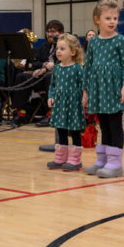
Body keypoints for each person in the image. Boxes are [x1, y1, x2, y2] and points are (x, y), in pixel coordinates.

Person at [83, 0, 124, 178]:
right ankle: (103, 160)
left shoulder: (120, 40)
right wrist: (85, 90)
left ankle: (115, 164)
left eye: (115, 18)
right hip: (98, 90)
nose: (112, 21)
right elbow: (87, 67)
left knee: (114, 124)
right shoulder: (93, 42)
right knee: (103, 124)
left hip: (114, 89)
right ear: (97, 20)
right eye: (108, 18)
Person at [11, 20, 63, 126]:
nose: (49, 34)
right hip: (41, 77)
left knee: (50, 76)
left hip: (58, 78)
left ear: (61, 33)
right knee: (22, 76)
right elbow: (36, 62)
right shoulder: (44, 46)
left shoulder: (64, 45)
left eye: (53, 31)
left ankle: (51, 114)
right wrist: (43, 66)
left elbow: (60, 63)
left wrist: (44, 69)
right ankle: (22, 113)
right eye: (48, 31)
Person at [46, 34, 85, 171]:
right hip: (60, 105)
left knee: (74, 131)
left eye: (62, 49)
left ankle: (75, 160)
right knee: (61, 130)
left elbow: (84, 85)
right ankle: (60, 158)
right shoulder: (57, 68)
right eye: (57, 48)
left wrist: (84, 97)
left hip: (74, 105)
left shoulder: (78, 68)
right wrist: (51, 96)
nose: (58, 51)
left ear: (73, 52)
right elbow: (53, 85)